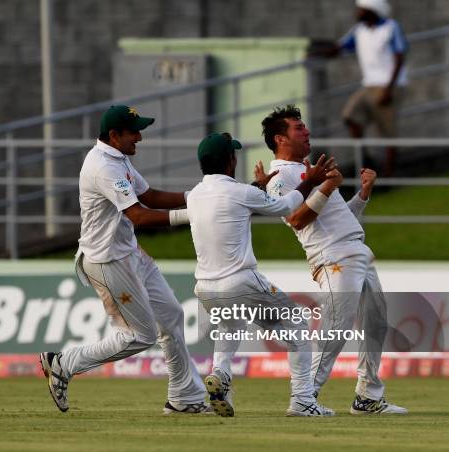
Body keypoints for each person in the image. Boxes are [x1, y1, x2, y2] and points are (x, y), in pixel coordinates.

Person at [40, 105, 209, 415]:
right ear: (115, 135)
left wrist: (201, 195)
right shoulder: (103, 166)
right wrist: (195, 214)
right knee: (139, 336)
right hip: (107, 261)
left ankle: (184, 398)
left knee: (171, 314)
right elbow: (139, 215)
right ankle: (63, 364)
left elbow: (151, 196)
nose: (140, 137)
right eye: (134, 132)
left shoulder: (118, 159)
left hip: (128, 252)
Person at [261, 105, 407, 414]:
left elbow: (342, 220)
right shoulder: (278, 178)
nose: (307, 131)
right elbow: (297, 220)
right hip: (333, 258)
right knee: (335, 329)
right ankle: (305, 397)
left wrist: (363, 194)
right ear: (280, 139)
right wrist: (327, 185)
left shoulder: (309, 169)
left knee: (376, 324)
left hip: (357, 252)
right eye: (298, 128)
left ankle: (367, 397)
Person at [187, 132, 339, 417]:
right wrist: (310, 181)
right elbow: (284, 207)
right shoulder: (241, 192)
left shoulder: (195, 195)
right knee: (297, 324)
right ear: (230, 160)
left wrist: (258, 187)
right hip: (241, 281)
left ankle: (220, 378)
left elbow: (228, 202)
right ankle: (303, 401)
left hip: (205, 288)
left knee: (229, 329)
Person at [313, 0, 408, 176]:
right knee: (350, 116)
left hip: (388, 85)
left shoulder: (390, 27)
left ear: (372, 10)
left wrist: (389, 89)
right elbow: (340, 48)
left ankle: (389, 175)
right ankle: (366, 159)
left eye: (361, 9)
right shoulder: (360, 30)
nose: (358, 12)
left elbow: (400, 56)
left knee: (387, 131)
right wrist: (315, 52)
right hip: (369, 84)